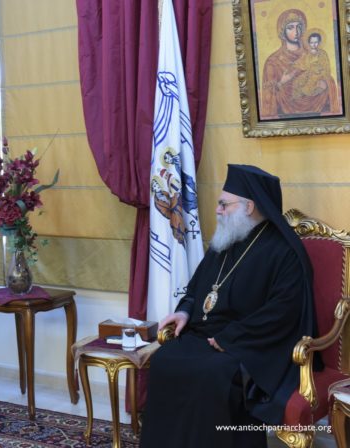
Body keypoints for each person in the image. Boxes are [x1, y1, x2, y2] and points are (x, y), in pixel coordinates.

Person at [139, 165, 317, 447]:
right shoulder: (226, 240)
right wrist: (185, 310)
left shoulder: (284, 252)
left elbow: (283, 312)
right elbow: (197, 288)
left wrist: (231, 338)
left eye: (224, 204)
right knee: (165, 359)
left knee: (212, 374)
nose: (218, 210)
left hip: (251, 345)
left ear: (249, 207)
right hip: (207, 335)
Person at [261, 9, 339, 118]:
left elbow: (326, 75)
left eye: (299, 26)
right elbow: (268, 95)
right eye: (290, 27)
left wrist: (325, 82)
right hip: (284, 116)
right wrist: (282, 82)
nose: (296, 31)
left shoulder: (313, 54)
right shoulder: (273, 62)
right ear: (282, 31)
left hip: (318, 110)